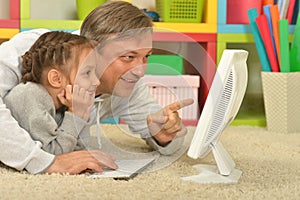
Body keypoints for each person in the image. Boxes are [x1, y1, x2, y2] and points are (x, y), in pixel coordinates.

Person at [0, 1, 193, 174]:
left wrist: (164, 136)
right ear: (94, 51)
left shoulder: (128, 85)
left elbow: (172, 143)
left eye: (146, 56)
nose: (140, 71)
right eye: (128, 57)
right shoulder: (36, 49)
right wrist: (45, 162)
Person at [4, 31, 105, 155]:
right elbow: (53, 154)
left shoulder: (64, 103)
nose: (97, 82)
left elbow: (78, 148)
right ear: (56, 79)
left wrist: (81, 113)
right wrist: (76, 116)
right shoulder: (29, 96)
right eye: (87, 73)